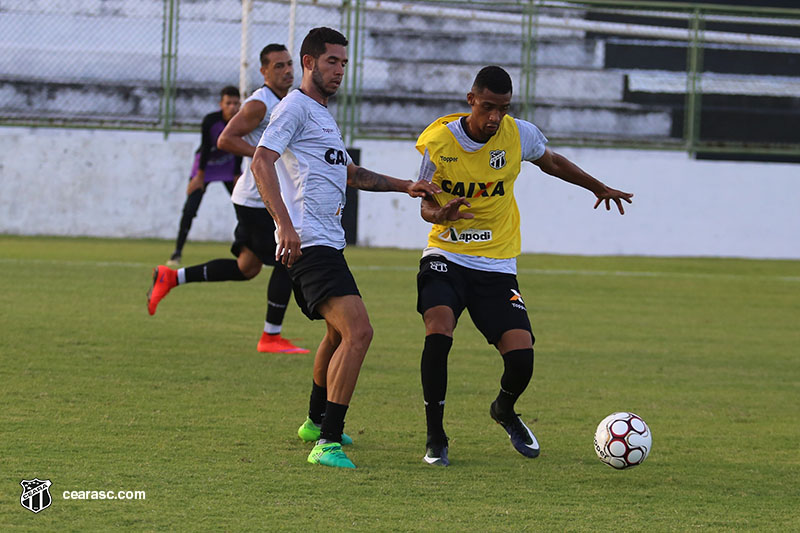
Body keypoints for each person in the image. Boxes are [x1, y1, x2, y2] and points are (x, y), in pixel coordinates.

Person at [415, 65, 633, 466]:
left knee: (521, 357)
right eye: (487, 107)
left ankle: (504, 409)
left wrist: (597, 186)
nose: (495, 117)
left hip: (497, 264)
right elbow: (425, 202)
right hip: (446, 255)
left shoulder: (518, 134)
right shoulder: (437, 142)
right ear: (471, 100)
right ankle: (436, 437)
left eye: (503, 108)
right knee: (439, 328)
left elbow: (551, 161)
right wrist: (440, 215)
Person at [251, 27, 440, 469]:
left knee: (338, 334)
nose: (338, 70)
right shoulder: (294, 108)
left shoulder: (322, 115)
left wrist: (405, 186)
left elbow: (351, 175)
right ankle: (328, 443)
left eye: (344, 63)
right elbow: (262, 160)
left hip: (327, 244)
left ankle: (316, 423)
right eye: (331, 61)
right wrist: (284, 225)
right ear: (309, 61)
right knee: (360, 332)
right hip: (309, 242)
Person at [147, 44, 309, 355]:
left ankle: (171, 276)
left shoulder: (284, 101)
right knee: (289, 258)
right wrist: (264, 156)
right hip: (255, 199)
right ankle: (270, 337)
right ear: (263, 71)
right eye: (278, 66)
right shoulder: (259, 104)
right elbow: (225, 140)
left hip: (254, 197)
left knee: (247, 267)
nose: (287, 70)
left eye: (289, 64)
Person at [167, 85, 242, 267]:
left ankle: (251, 251)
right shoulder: (211, 120)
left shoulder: (242, 120)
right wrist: (199, 176)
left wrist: (236, 174)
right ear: (221, 104)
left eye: (235, 103)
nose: (232, 107)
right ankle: (177, 252)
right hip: (205, 166)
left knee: (244, 208)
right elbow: (205, 147)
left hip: (228, 165)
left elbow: (240, 146)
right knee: (190, 208)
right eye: (228, 103)